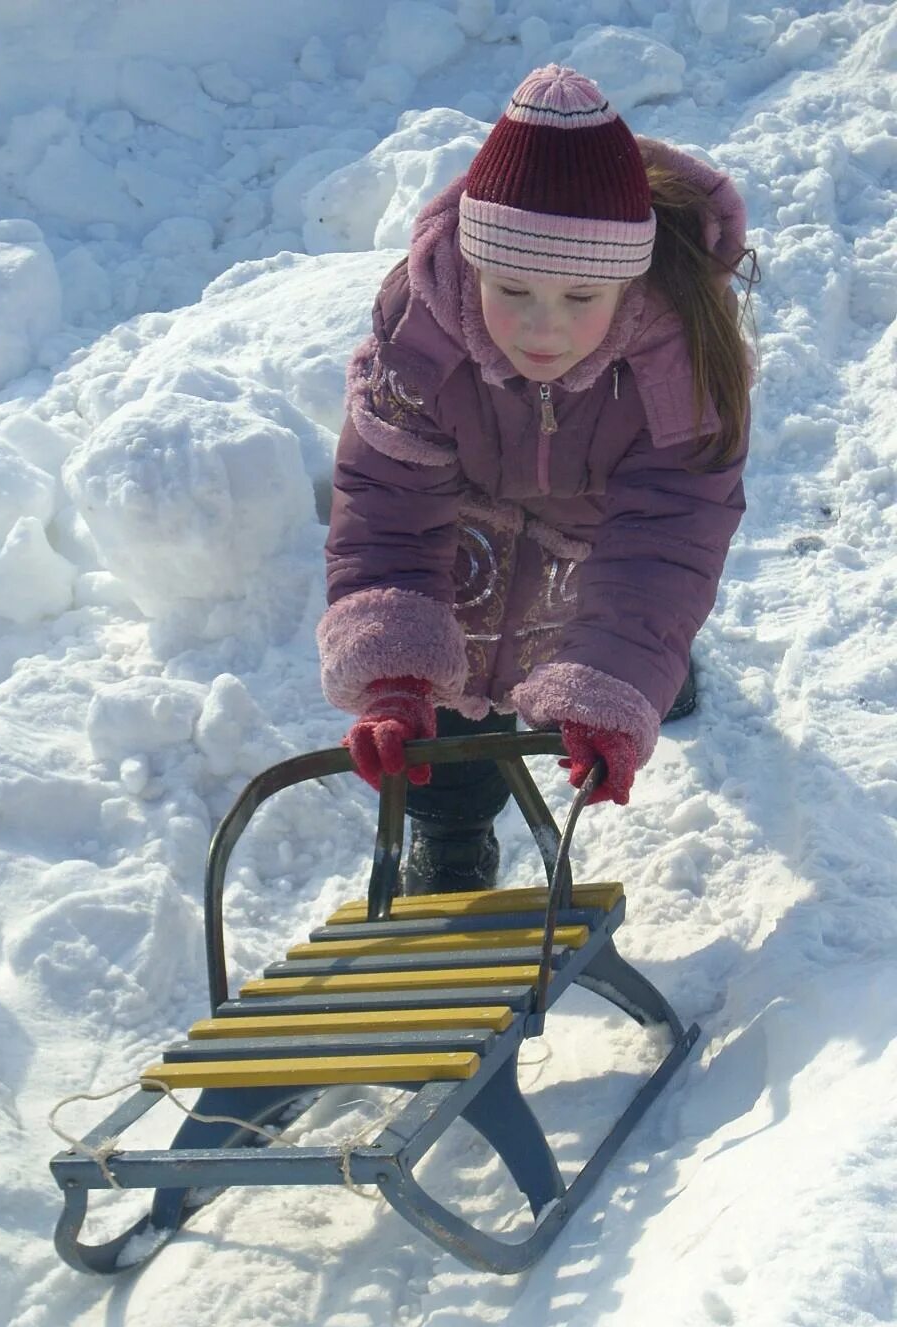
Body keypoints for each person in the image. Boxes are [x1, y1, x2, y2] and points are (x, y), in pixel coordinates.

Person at [317, 64, 756, 894]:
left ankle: (638, 663)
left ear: (627, 282)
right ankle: (450, 830)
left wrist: (617, 679)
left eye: (579, 296)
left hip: (601, 534)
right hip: (465, 534)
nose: (540, 327)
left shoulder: (677, 358)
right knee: (441, 652)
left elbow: (666, 540)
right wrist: (395, 674)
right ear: (473, 265)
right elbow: (387, 512)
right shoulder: (421, 332)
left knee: (626, 630)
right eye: (510, 288)